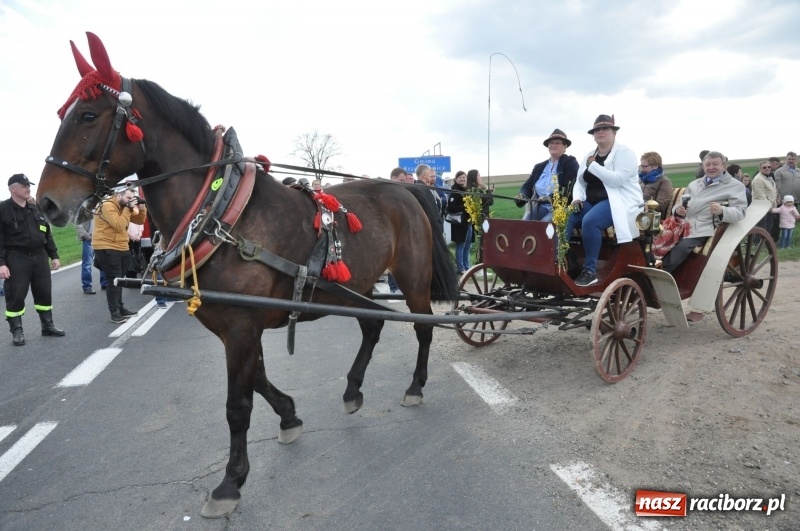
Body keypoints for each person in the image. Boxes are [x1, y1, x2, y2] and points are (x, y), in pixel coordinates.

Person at [565, 114, 641, 287]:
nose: (600, 132)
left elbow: (617, 180)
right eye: (596, 130)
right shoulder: (589, 155)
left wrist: (594, 166)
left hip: (619, 202)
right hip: (591, 200)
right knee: (565, 217)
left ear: (614, 132)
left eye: (605, 129)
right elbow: (579, 181)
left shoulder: (625, 153)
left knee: (590, 221)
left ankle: (589, 270)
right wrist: (577, 198)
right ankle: (563, 260)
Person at [1, 173, 65, 346]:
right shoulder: (3, 209)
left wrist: (54, 255)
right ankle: (17, 331)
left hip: (39, 257)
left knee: (44, 292)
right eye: (23, 186)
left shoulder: (35, 209)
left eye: (28, 185)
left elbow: (46, 233)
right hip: (16, 258)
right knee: (16, 295)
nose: (28, 188)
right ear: (12, 189)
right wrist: (1, 264)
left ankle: (47, 325)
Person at [661, 151, 747, 273]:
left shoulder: (735, 186)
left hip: (702, 229)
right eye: (707, 165)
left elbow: (740, 212)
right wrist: (678, 210)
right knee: (653, 239)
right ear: (703, 166)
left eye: (715, 164)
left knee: (681, 248)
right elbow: (680, 203)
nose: (711, 167)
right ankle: (648, 269)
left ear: (724, 166)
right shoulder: (695, 184)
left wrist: (722, 210)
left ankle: (660, 275)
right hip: (681, 225)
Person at [93, 185, 147, 323]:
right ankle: (115, 312)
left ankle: (121, 308)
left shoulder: (124, 206)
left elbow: (139, 220)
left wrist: (142, 208)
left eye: (132, 198)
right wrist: (129, 208)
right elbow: (119, 224)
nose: (130, 200)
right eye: (128, 197)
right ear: (119, 195)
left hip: (122, 246)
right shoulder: (107, 205)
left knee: (120, 279)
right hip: (106, 246)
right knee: (114, 279)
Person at [515, 129, 579, 222]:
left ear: (565, 146)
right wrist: (522, 195)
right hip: (542, 207)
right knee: (525, 223)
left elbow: (569, 188)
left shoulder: (570, 163)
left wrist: (550, 198)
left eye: (557, 143)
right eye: (551, 143)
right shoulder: (539, 167)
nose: (553, 145)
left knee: (544, 224)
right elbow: (527, 186)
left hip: (562, 207)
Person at [446, 171, 473, 273]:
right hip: (459, 223)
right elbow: (452, 207)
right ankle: (460, 267)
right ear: (456, 179)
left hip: (468, 221)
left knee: (468, 245)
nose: (462, 179)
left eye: (464, 177)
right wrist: (466, 207)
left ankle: (467, 266)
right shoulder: (455, 191)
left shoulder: (466, 190)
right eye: (460, 177)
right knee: (461, 245)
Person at [639, 151, 674, 218]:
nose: (642, 169)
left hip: (651, 217)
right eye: (641, 166)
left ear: (655, 166)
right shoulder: (641, 180)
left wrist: (642, 209)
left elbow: (660, 205)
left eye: (645, 166)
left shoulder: (664, 182)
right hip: (636, 211)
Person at [76, 219, 107, 294]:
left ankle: (105, 283)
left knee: (103, 261)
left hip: (101, 238)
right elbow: (77, 223)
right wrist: (86, 236)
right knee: (87, 264)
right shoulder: (86, 208)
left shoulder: (103, 208)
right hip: (89, 239)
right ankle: (87, 286)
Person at [751, 161, 778, 234]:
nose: (767, 168)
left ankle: (764, 243)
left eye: (769, 167)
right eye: (764, 167)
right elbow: (760, 196)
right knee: (761, 227)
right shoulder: (758, 179)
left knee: (769, 225)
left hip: (769, 207)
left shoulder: (769, 177)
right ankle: (757, 243)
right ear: (760, 169)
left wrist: (774, 204)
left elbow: (772, 191)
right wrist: (768, 207)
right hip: (762, 207)